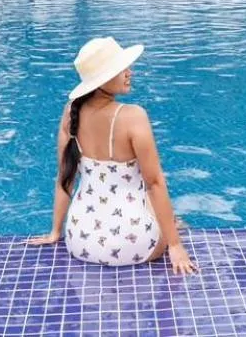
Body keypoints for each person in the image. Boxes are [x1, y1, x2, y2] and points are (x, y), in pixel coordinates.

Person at [28, 37, 197, 275]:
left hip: (80, 241)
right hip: (133, 243)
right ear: (102, 79)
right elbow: (155, 182)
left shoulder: (70, 113)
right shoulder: (133, 116)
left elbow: (65, 177)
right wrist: (176, 245)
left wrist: (56, 232)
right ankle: (176, 227)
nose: (129, 72)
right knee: (157, 200)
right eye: (120, 69)